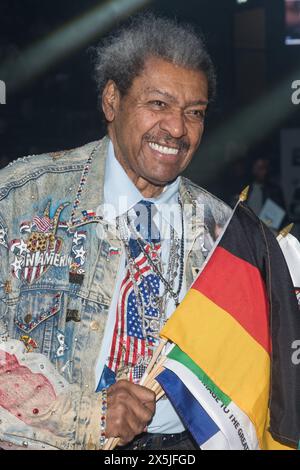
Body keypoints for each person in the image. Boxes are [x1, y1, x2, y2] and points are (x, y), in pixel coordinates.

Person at [0, 14, 232, 450]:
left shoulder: (224, 233)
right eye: (158, 104)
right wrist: (90, 416)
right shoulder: (22, 197)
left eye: (194, 112)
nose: (178, 128)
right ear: (112, 100)